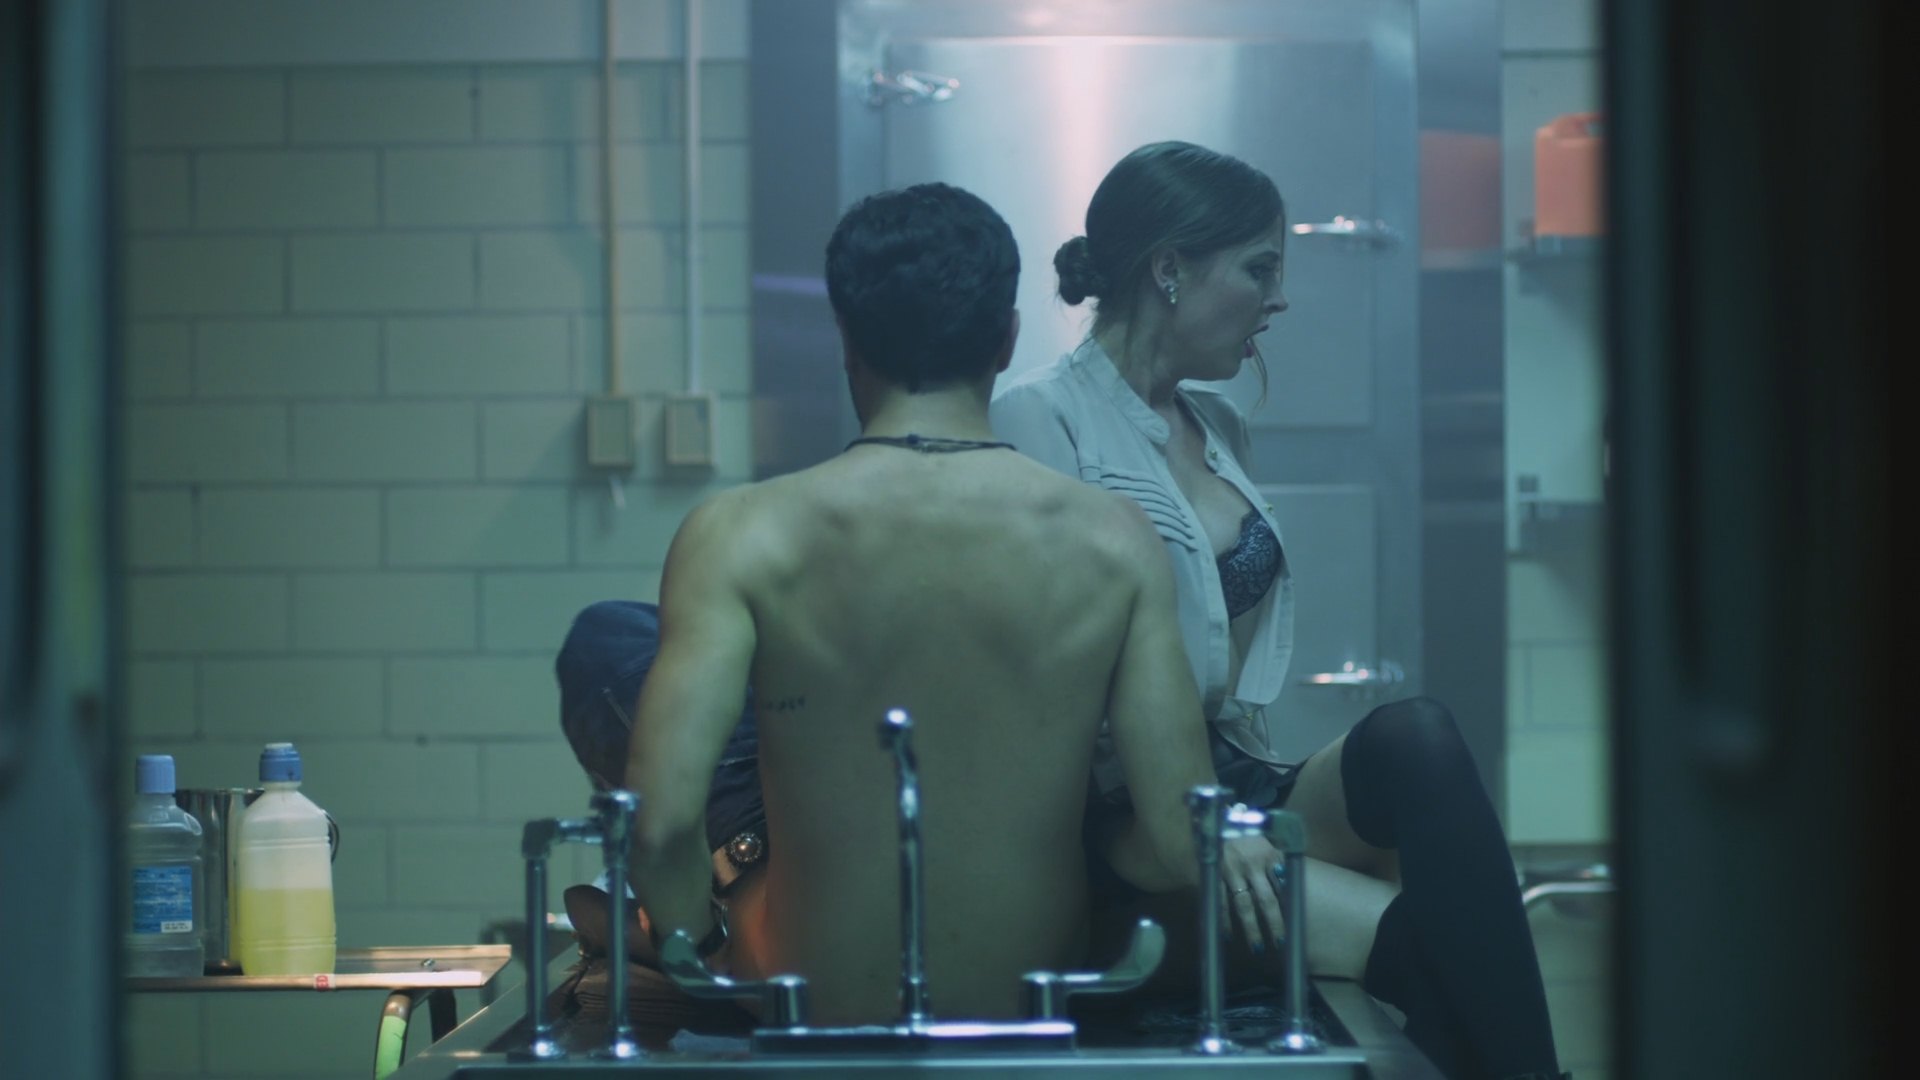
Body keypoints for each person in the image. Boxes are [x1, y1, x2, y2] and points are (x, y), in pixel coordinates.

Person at [990, 141, 1567, 1080]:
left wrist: (1240, 811)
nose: (1281, 298)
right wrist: (1205, 819)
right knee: (1430, 941)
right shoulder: (1037, 418)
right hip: (1122, 825)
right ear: (1170, 270)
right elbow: (1043, 682)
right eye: (1259, 269)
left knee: (1414, 737)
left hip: (1230, 777)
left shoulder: (1216, 424)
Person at [623, 182, 1218, 1025]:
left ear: (846, 339)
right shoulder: (1116, 539)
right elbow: (1177, 842)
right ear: (1007, 338)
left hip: (810, 1001)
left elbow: (657, 826)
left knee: (607, 645)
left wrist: (706, 953)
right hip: (1029, 1003)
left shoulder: (739, 534)